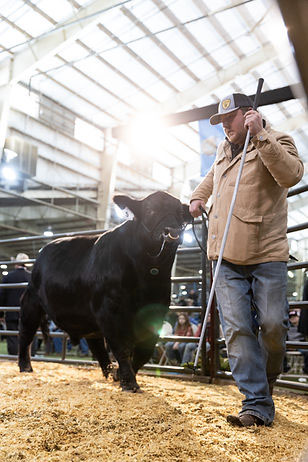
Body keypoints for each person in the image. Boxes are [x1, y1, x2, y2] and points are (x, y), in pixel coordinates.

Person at [189, 92, 304, 427]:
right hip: (224, 255)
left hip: (266, 252)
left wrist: (261, 136)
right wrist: (198, 198)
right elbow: (210, 179)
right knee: (238, 329)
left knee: (272, 326)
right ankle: (255, 403)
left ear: (249, 114)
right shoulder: (224, 150)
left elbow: (291, 175)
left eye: (230, 118)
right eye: (221, 121)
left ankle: (264, 385)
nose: (225, 126)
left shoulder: (278, 139)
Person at [0, 253, 32, 355]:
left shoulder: (8, 277)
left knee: (13, 337)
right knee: (28, 336)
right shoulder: (31, 277)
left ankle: (13, 360)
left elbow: (1, 296)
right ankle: (28, 359)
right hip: (29, 313)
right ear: (26, 264)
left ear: (16, 263)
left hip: (12, 313)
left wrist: (1, 314)